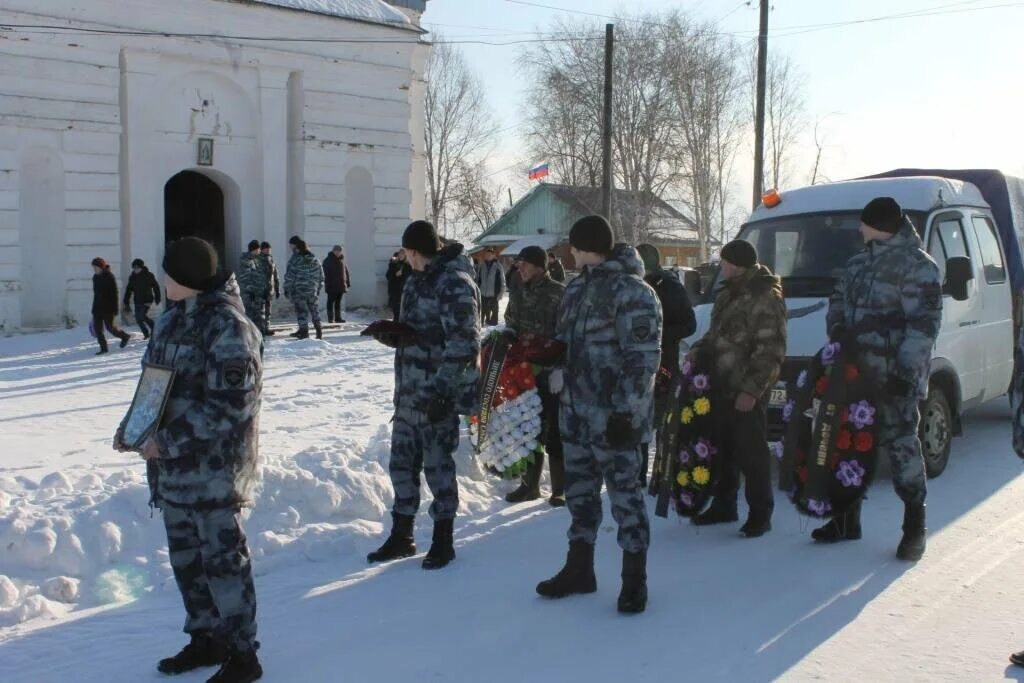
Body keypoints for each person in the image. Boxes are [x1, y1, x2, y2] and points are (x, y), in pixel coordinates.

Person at [113, 236, 264, 682]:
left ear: (186, 278)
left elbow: (232, 406)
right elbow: (154, 386)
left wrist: (169, 441)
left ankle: (243, 655)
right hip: (173, 471)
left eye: (168, 272)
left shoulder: (229, 328)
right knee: (187, 562)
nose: (162, 279)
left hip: (214, 473)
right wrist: (135, 427)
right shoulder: (172, 320)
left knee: (223, 564)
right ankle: (206, 638)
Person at [536, 215, 662, 614]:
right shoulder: (576, 290)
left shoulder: (634, 293)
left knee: (626, 500)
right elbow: (568, 343)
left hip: (615, 420)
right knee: (580, 497)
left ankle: (633, 582)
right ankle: (579, 570)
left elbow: (642, 361)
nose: (569, 254)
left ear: (586, 246)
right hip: (576, 415)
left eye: (573, 247)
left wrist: (625, 413)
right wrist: (541, 352)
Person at [822, 197, 942, 561]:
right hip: (855, 372)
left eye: (864, 223)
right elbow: (837, 300)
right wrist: (838, 328)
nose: (859, 230)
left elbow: (923, 326)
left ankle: (914, 527)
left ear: (879, 224)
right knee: (848, 444)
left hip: (894, 377)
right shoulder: (859, 263)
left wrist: (905, 374)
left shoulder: (918, 267)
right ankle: (846, 519)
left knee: (902, 448)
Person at [365, 220, 480, 570]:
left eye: (406, 253)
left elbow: (464, 344)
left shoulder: (455, 285)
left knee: (438, 467)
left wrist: (444, 393)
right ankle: (402, 535)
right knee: (401, 464)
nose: (405, 259)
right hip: (408, 394)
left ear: (414, 251)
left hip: (436, 396)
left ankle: (443, 539)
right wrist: (394, 334)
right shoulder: (416, 281)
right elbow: (421, 332)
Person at [689, 239, 786, 538]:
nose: (721, 266)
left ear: (738, 265)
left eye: (725, 262)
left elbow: (771, 348)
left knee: (752, 453)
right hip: (721, 383)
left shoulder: (765, 295)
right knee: (723, 448)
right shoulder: (728, 294)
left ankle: (760, 513)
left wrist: (752, 390)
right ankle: (724, 504)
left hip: (745, 387)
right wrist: (698, 349)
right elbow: (717, 334)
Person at [503, 245, 566, 507]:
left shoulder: (559, 293)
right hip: (526, 371)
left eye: (525, 264)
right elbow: (511, 324)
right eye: (519, 265)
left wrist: (561, 366)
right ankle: (529, 487)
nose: (521, 268)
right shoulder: (519, 291)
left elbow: (567, 333)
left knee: (555, 431)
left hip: (552, 373)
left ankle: (560, 489)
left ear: (540, 266)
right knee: (529, 428)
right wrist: (505, 340)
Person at [636, 243, 697, 487]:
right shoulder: (633, 286)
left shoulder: (670, 286)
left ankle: (663, 473)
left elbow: (689, 325)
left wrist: (658, 335)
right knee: (638, 420)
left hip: (664, 364)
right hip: (637, 365)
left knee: (663, 421)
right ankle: (637, 475)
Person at [283, 239, 324, 340]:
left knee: (302, 311)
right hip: (312, 290)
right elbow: (321, 275)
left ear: (296, 247)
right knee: (314, 310)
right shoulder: (314, 258)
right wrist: (317, 288)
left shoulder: (295, 259)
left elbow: (290, 276)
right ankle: (319, 331)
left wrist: (287, 289)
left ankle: (304, 331)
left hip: (299, 290)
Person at [91, 257, 130, 355]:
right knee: (97, 329)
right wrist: (94, 308)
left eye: (96, 267)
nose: (94, 269)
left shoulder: (109, 276)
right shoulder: (95, 277)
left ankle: (124, 336)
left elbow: (114, 293)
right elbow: (96, 294)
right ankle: (103, 348)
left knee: (110, 328)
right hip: (97, 308)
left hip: (108, 308)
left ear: (101, 267)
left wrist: (115, 309)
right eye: (93, 268)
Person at [123, 258, 161, 340]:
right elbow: (129, 289)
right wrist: (126, 301)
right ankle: (146, 334)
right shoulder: (132, 277)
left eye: (137, 267)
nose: (135, 269)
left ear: (142, 267)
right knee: (138, 319)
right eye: (134, 268)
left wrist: (157, 297)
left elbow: (156, 287)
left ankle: (155, 328)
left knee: (142, 316)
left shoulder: (149, 275)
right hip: (137, 300)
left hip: (147, 300)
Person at [238, 240, 269, 336]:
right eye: (258, 249)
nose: (260, 251)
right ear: (255, 249)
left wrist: (264, 289)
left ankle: (260, 332)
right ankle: (249, 334)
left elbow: (260, 275)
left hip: (258, 292)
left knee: (259, 314)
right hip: (249, 293)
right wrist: (250, 291)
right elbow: (245, 277)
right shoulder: (245, 260)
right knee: (250, 314)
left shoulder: (257, 259)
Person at [321, 245, 351, 324]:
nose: (338, 252)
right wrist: (327, 283)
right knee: (330, 302)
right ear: (333, 251)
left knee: (338, 303)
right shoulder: (327, 260)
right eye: (336, 251)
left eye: (339, 251)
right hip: (331, 285)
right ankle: (330, 318)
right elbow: (324, 274)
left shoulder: (341, 260)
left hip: (341, 285)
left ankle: (338, 318)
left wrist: (347, 283)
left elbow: (346, 272)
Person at [475, 248, 505, 326]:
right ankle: (481, 324)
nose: (488, 256)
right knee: (481, 312)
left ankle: (492, 329)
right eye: (486, 254)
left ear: (493, 255)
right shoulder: (481, 266)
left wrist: (500, 294)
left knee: (494, 317)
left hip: (494, 294)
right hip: (483, 294)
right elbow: (478, 279)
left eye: (490, 254)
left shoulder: (498, 266)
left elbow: (502, 281)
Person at [259, 242, 279, 335]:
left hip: (269, 289)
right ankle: (260, 328)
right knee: (260, 311)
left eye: (269, 249)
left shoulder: (271, 259)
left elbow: (275, 274)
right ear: (262, 249)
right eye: (266, 249)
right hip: (260, 289)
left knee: (268, 311)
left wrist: (277, 288)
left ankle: (266, 328)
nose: (268, 250)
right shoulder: (257, 259)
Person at [386, 250, 412, 320]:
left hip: (403, 291)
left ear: (405, 255)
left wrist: (402, 273)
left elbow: (409, 278)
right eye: (399, 254)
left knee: (401, 313)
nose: (400, 256)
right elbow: (388, 276)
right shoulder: (393, 264)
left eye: (402, 254)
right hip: (394, 291)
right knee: (396, 312)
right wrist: (395, 274)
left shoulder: (408, 265)